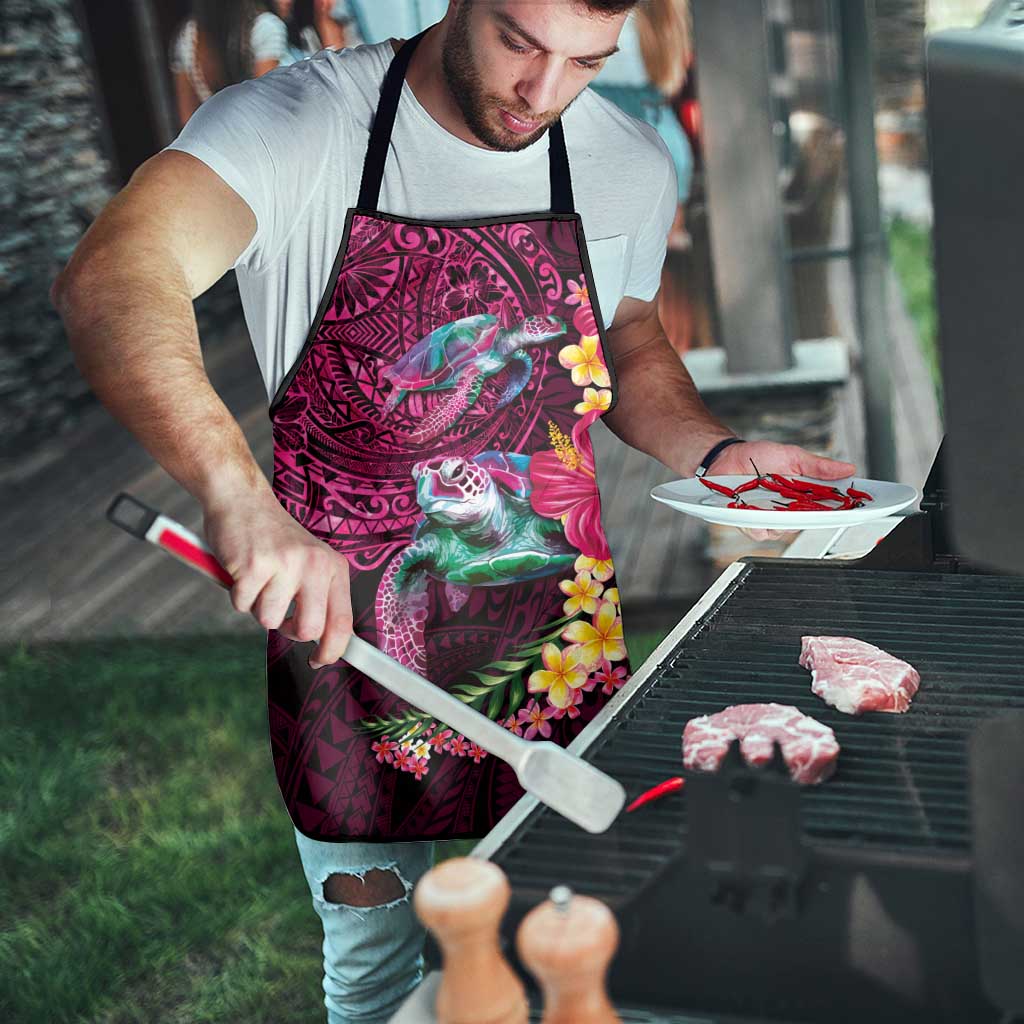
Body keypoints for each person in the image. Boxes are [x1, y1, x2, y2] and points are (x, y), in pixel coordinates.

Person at [52, 2, 856, 1020]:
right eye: (521, 42)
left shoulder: (625, 159)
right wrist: (235, 495)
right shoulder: (297, 125)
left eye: (585, 62)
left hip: (557, 644)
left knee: (583, 945)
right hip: (352, 654)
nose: (543, 93)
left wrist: (717, 449)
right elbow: (113, 275)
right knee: (379, 974)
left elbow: (629, 335)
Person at [169, 0, 289, 127]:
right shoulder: (266, 27)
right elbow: (266, 107)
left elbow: (187, 120)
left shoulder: (188, 37)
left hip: (215, 140)